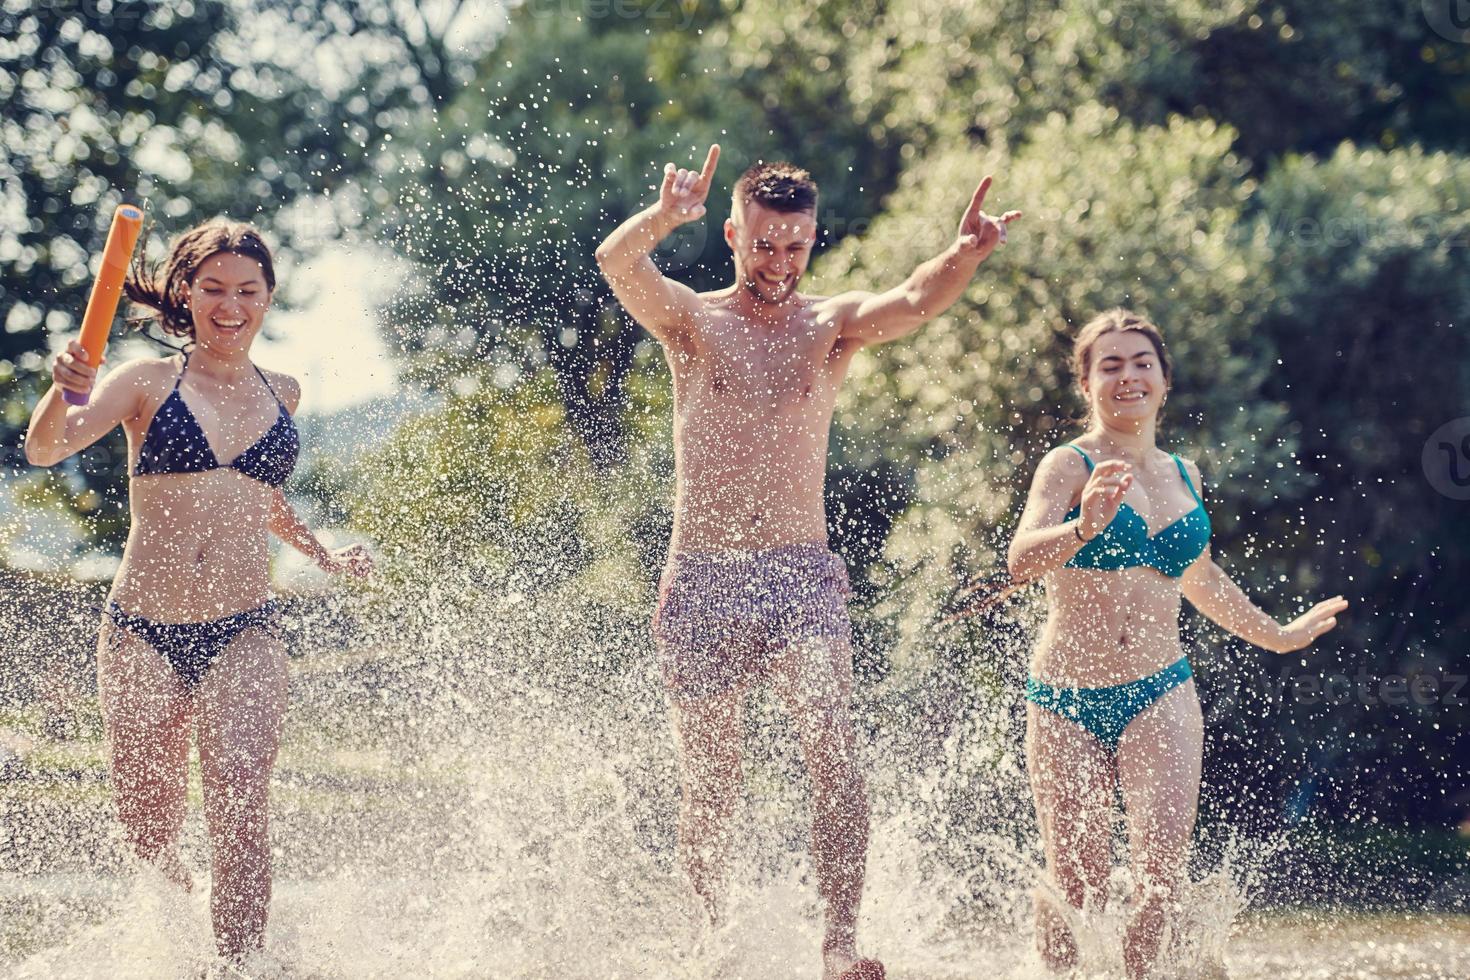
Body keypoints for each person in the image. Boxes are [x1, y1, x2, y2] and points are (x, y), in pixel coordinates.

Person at [595, 145, 1020, 980]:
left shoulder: (830, 328)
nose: (779, 261)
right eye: (764, 244)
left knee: (832, 746)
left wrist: (962, 254)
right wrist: (661, 218)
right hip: (704, 574)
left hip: (799, 571)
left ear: (813, 240)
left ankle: (838, 947)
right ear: (732, 234)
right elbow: (618, 262)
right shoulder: (692, 322)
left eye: (795, 245)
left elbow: (913, 302)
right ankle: (710, 950)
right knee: (712, 783)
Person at [24, 218, 371, 962]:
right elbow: (46, 447)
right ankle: (172, 953)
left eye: (247, 290)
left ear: (269, 298)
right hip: (142, 629)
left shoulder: (284, 392)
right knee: (147, 826)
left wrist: (323, 553)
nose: (230, 305)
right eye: (213, 288)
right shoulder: (146, 380)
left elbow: (259, 496)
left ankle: (239, 968)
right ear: (186, 293)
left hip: (245, 628)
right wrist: (63, 393)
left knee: (241, 807)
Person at [1006, 309, 1349, 977]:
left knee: (1160, 882)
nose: (1127, 376)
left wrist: (1277, 635)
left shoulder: (1183, 473)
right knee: (1077, 884)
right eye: (1110, 365)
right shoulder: (1068, 465)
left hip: (1160, 690)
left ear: (1164, 380)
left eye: (1141, 363)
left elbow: (1201, 576)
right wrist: (1083, 528)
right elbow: (1020, 560)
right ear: (1086, 384)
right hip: (1066, 698)